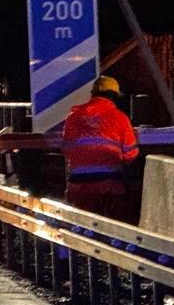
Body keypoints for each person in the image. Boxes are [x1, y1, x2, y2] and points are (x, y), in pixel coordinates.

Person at [60, 75, 140, 220]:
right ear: (114, 96)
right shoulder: (119, 118)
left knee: (81, 229)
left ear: (93, 95)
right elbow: (130, 153)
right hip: (110, 187)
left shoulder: (73, 117)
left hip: (79, 187)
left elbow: (66, 149)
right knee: (113, 230)